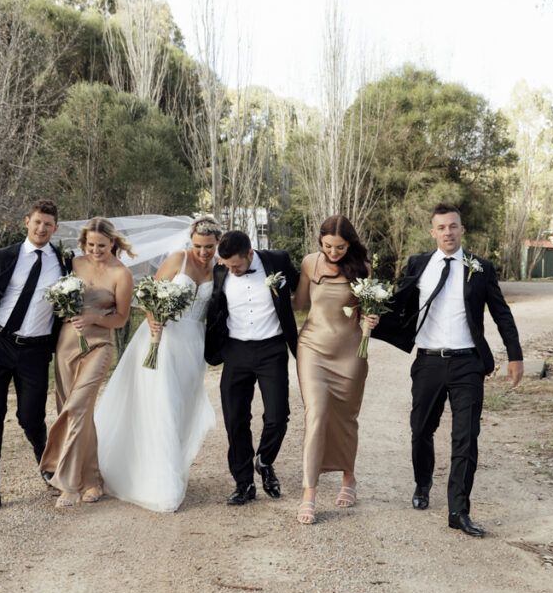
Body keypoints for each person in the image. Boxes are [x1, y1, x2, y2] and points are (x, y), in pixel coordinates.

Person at [374, 203, 523, 537]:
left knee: (466, 438)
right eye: (441, 227)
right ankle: (423, 483)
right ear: (433, 232)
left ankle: (458, 510)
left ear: (462, 230)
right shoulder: (418, 264)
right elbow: (399, 306)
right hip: (427, 361)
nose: (448, 232)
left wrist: (515, 355)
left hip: (468, 363)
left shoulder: (480, 268)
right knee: (420, 430)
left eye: (453, 226)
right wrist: (375, 318)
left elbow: (501, 313)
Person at [94, 216, 221, 512]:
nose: (204, 252)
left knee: (182, 409)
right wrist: (155, 325)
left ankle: (170, 467)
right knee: (162, 406)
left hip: (193, 344)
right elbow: (150, 297)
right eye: (199, 246)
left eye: (210, 247)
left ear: (217, 244)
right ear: (191, 241)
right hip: (162, 340)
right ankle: (159, 484)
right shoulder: (178, 259)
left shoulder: (219, 267)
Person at [0, 199, 70, 517]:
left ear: (55, 228)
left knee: (31, 417)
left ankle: (49, 470)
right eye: (37, 222)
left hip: (35, 349)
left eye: (48, 224)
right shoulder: (2, 258)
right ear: (26, 222)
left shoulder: (63, 262)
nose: (42, 228)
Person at [40, 218, 133, 508]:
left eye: (101, 245)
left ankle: (67, 483)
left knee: (77, 406)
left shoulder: (122, 274)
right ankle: (92, 480)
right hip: (68, 342)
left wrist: (93, 318)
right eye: (91, 244)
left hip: (99, 344)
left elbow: (121, 318)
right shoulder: (74, 264)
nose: (95, 249)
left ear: (112, 243)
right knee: (77, 411)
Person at [291, 215, 379, 524]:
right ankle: (309, 493)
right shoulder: (309, 264)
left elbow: (369, 310)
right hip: (313, 348)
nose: (333, 252)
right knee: (316, 414)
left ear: (350, 244)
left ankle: (349, 478)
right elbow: (299, 304)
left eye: (340, 247)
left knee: (345, 416)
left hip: (350, 351)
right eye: (327, 246)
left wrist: (371, 319)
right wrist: (269, 293)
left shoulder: (362, 269)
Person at [204, 231, 300, 505]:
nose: (231, 270)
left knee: (278, 415)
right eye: (226, 265)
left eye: (236, 265)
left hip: (271, 349)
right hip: (235, 350)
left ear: (250, 254)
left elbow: (303, 289)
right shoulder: (221, 270)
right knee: (235, 420)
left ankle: (265, 460)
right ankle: (244, 483)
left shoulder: (277, 260)